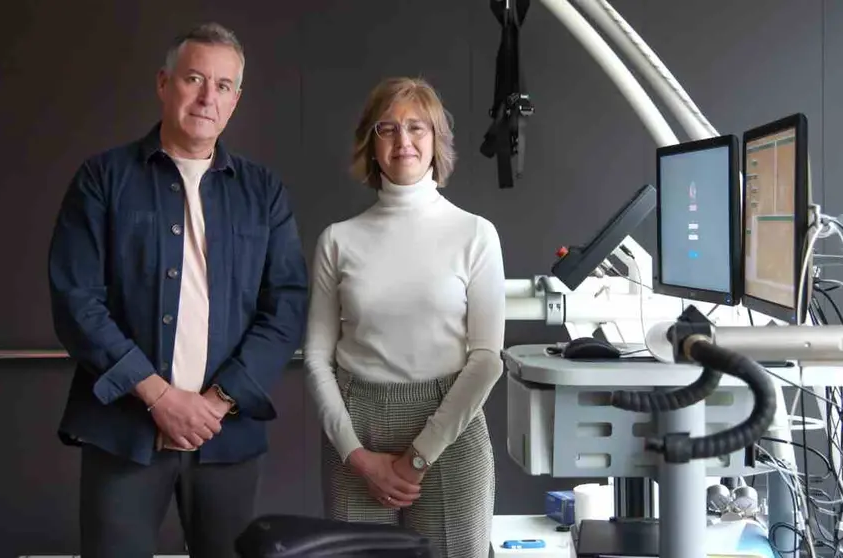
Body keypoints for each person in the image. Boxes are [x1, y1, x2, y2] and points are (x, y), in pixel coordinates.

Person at [48, 22, 308, 558]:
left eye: (224, 85)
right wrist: (160, 397)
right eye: (194, 78)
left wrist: (216, 401)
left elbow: (285, 307)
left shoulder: (264, 192)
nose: (208, 97)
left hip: (227, 436)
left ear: (237, 99)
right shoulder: (103, 178)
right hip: (123, 431)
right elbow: (77, 301)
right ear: (164, 84)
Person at [304, 77, 507, 558]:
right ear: (370, 145)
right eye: (387, 128)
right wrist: (353, 453)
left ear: (436, 141)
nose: (403, 141)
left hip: (450, 426)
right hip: (355, 429)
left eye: (417, 127)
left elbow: (487, 359)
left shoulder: (475, 235)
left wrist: (418, 458)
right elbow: (315, 357)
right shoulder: (338, 240)